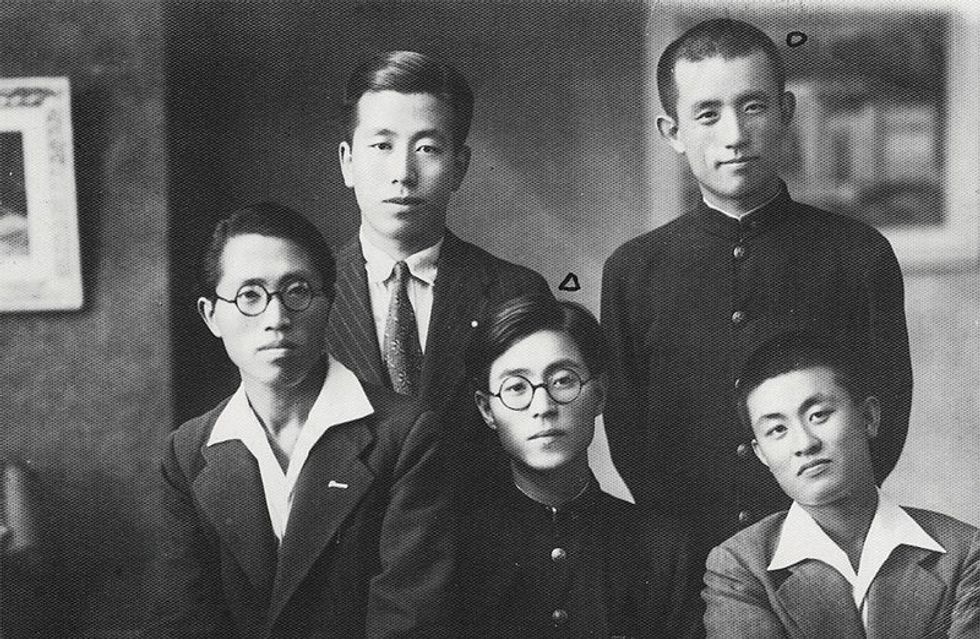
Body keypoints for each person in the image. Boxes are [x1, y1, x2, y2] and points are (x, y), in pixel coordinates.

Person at [600, 18, 912, 558]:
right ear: (672, 132)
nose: (735, 136)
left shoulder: (858, 253)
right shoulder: (634, 270)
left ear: (786, 112)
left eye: (753, 107)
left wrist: (821, 525)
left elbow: (884, 417)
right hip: (686, 558)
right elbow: (629, 436)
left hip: (824, 547)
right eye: (707, 114)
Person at [147, 203, 455, 639]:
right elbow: (183, 622)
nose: (276, 319)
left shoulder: (405, 434)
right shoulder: (187, 451)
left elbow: (410, 622)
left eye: (297, 291)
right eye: (249, 296)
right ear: (210, 314)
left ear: (329, 303)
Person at [703, 332, 978, 638]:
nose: (805, 444)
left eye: (819, 415)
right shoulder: (740, 566)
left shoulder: (964, 550)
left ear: (869, 418)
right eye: (778, 429)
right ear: (761, 454)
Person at [459, 295, 703, 639]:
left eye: (562, 381)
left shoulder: (664, 547)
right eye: (516, 387)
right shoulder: (456, 548)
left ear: (599, 395)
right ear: (487, 410)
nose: (543, 407)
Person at [328, 50, 551, 410]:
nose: (403, 173)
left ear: (459, 168)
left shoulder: (515, 292)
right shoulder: (307, 293)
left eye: (427, 148)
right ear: (348, 163)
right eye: (382, 145)